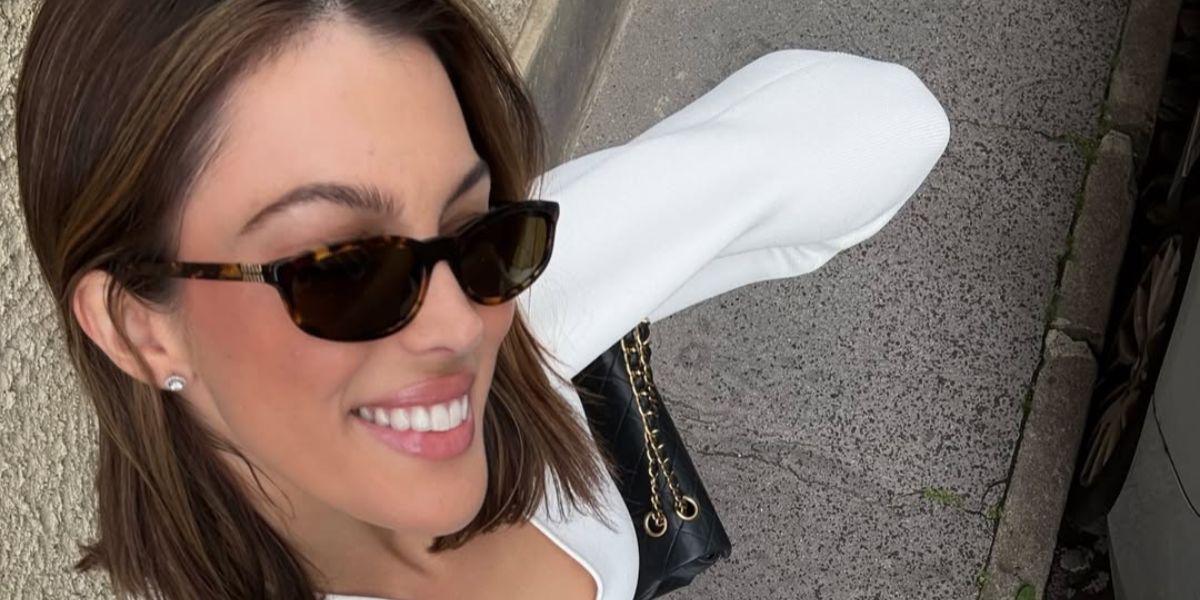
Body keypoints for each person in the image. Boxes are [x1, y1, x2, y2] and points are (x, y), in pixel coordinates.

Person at [14, 1, 949, 599]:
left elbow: (883, 126)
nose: (462, 324)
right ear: (141, 329)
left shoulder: (514, 336)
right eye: (344, 269)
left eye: (475, 230)